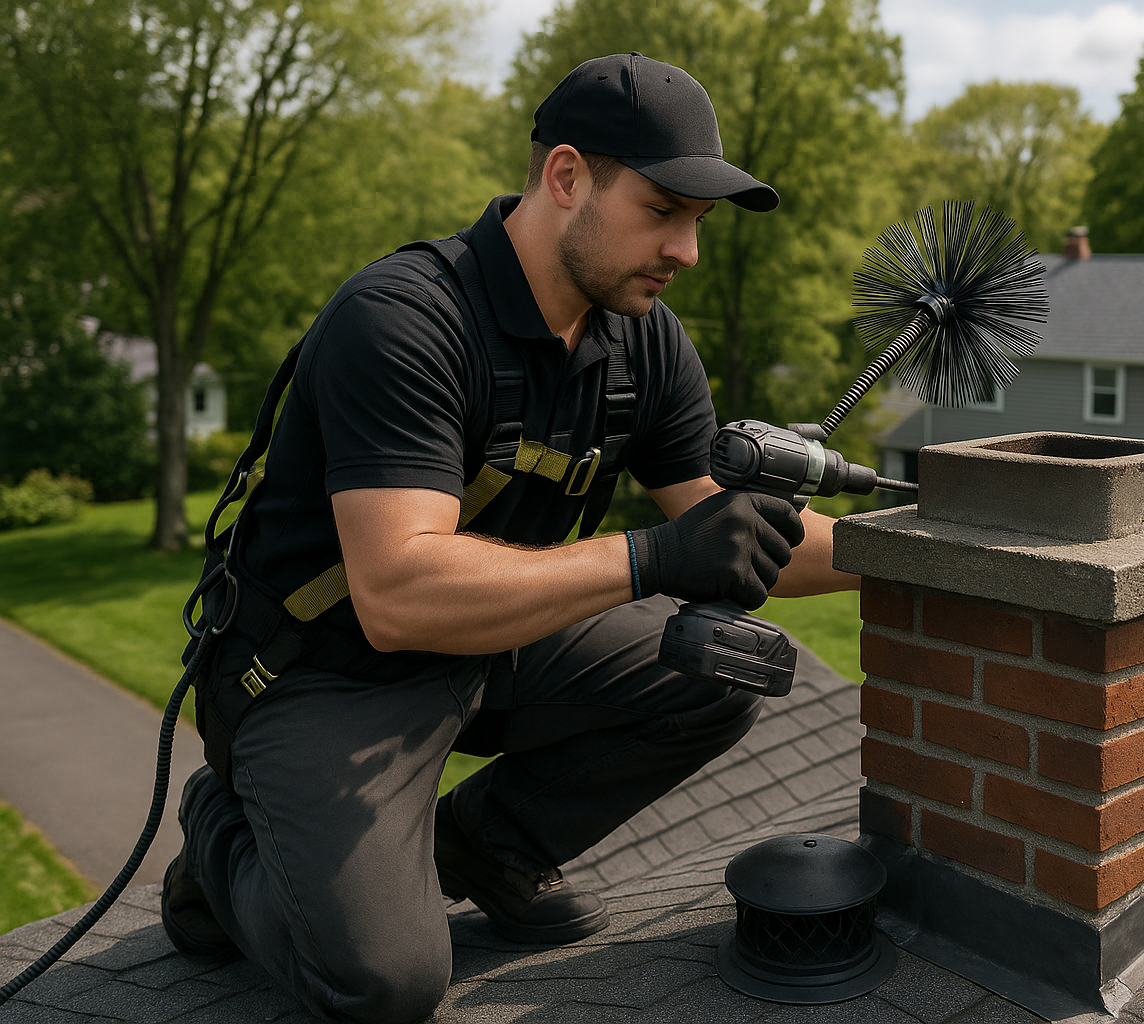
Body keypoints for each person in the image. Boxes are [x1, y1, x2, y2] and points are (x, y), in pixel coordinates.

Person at [161, 52, 858, 1024]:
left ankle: (487, 846)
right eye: (663, 210)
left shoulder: (641, 340)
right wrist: (651, 557)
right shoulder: (404, 320)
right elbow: (398, 593)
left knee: (723, 664)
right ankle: (221, 835)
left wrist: (922, 549)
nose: (688, 250)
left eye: (698, 221)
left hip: (493, 643)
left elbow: (743, 531)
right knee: (384, 984)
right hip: (326, 671)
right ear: (566, 176)